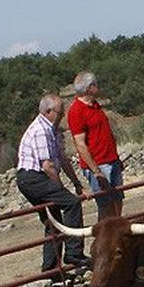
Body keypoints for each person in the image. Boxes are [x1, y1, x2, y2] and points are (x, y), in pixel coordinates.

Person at [15, 94, 89, 273]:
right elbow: (47, 165)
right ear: (48, 112)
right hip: (33, 177)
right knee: (71, 203)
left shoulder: (51, 129)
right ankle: (74, 253)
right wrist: (61, 189)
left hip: (33, 178)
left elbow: (62, 159)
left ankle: (51, 268)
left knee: (52, 219)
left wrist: (76, 183)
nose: (62, 115)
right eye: (60, 112)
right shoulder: (41, 130)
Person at [66, 71, 122, 219]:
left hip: (111, 160)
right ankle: (104, 239)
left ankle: (116, 237)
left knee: (117, 202)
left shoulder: (95, 106)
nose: (98, 87)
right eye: (95, 84)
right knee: (105, 206)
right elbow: (80, 144)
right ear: (90, 88)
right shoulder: (76, 111)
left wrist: (116, 159)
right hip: (99, 164)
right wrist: (96, 171)